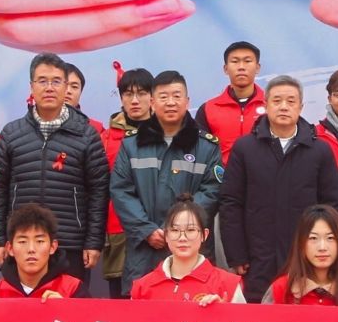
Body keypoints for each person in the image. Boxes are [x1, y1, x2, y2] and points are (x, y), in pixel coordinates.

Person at [0, 52, 110, 282]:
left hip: (70, 243)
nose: (49, 88)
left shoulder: (86, 135)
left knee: (68, 305)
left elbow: (99, 191)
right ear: (32, 87)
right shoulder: (12, 133)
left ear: (66, 87)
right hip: (22, 242)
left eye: (56, 81)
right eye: (42, 81)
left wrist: (93, 242)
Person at [220, 75, 338, 292]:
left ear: (301, 107)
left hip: (307, 258)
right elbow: (231, 203)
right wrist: (236, 254)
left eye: (291, 101)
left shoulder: (319, 150)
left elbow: (333, 206)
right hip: (257, 258)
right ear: (266, 105)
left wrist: (328, 250)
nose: (284, 107)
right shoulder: (245, 148)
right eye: (277, 101)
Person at [110, 70, 223, 294]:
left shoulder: (207, 146)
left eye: (176, 96)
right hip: (144, 250)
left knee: (194, 306)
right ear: (152, 102)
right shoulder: (131, 145)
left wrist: (177, 229)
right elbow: (121, 191)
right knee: (141, 309)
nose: (170, 102)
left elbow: (212, 191)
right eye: (163, 97)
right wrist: (147, 230)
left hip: (191, 249)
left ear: (187, 101)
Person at [102, 69, 155, 295]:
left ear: (152, 96)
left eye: (141, 93)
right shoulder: (106, 139)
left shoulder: (169, 133)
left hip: (159, 232)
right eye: (128, 94)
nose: (134, 100)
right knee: (121, 303)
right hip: (119, 232)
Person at [196, 41, 264, 167]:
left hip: (264, 176)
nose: (241, 67)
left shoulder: (272, 106)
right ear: (226, 69)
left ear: (257, 68)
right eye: (235, 61)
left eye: (247, 61)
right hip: (221, 177)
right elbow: (201, 152)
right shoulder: (208, 109)